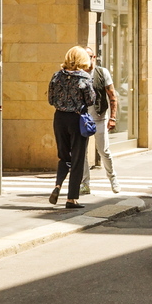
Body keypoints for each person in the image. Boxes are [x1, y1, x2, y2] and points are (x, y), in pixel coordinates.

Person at [47, 46, 96, 208]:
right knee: (77, 159)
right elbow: (90, 100)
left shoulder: (57, 76)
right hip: (77, 120)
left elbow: (51, 100)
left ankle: (57, 185)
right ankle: (71, 199)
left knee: (64, 157)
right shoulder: (84, 77)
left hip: (59, 118)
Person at [80, 47, 121, 195]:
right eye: (83, 57)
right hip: (83, 119)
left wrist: (112, 118)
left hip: (99, 117)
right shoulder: (79, 73)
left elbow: (112, 96)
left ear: (94, 57)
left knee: (104, 151)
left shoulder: (102, 72)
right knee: (82, 152)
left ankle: (113, 178)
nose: (86, 60)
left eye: (89, 56)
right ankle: (85, 183)